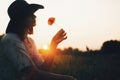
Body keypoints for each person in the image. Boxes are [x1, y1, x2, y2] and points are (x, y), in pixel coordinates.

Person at [0, 0, 77, 80]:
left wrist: (53, 45)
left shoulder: (30, 41)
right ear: (21, 18)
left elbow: (43, 68)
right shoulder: (10, 40)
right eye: (30, 14)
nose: (35, 16)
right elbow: (32, 74)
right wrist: (68, 79)